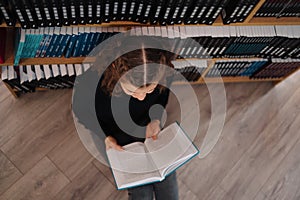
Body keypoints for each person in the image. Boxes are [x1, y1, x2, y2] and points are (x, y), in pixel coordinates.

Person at [94, 46, 179, 200]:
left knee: (169, 191)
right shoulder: (96, 86)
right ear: (116, 72)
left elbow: (161, 97)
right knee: (141, 194)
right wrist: (105, 137)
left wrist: (156, 119)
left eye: (149, 91)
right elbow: (86, 116)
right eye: (133, 92)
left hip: (149, 130)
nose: (141, 98)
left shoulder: (163, 73)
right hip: (118, 139)